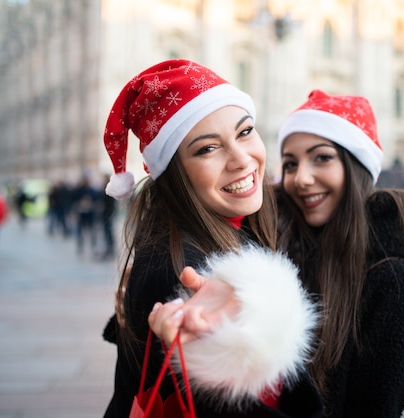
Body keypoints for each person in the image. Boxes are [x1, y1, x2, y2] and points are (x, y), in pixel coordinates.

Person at [153, 89, 404, 417]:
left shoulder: (392, 279)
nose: (301, 179)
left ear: (357, 166)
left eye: (322, 157)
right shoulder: (275, 245)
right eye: (291, 164)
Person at [102, 59, 322, 418]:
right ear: (175, 173)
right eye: (207, 149)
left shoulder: (235, 227)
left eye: (245, 131)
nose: (241, 159)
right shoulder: (183, 270)